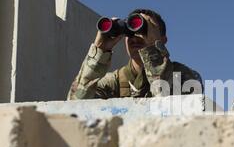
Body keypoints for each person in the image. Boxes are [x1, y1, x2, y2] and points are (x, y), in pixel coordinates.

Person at [67, 9, 203, 100]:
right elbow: (74, 110)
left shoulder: (185, 77)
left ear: (163, 40)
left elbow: (168, 110)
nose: (136, 37)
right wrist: (98, 53)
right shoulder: (112, 83)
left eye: (145, 31)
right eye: (130, 32)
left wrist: (153, 51)